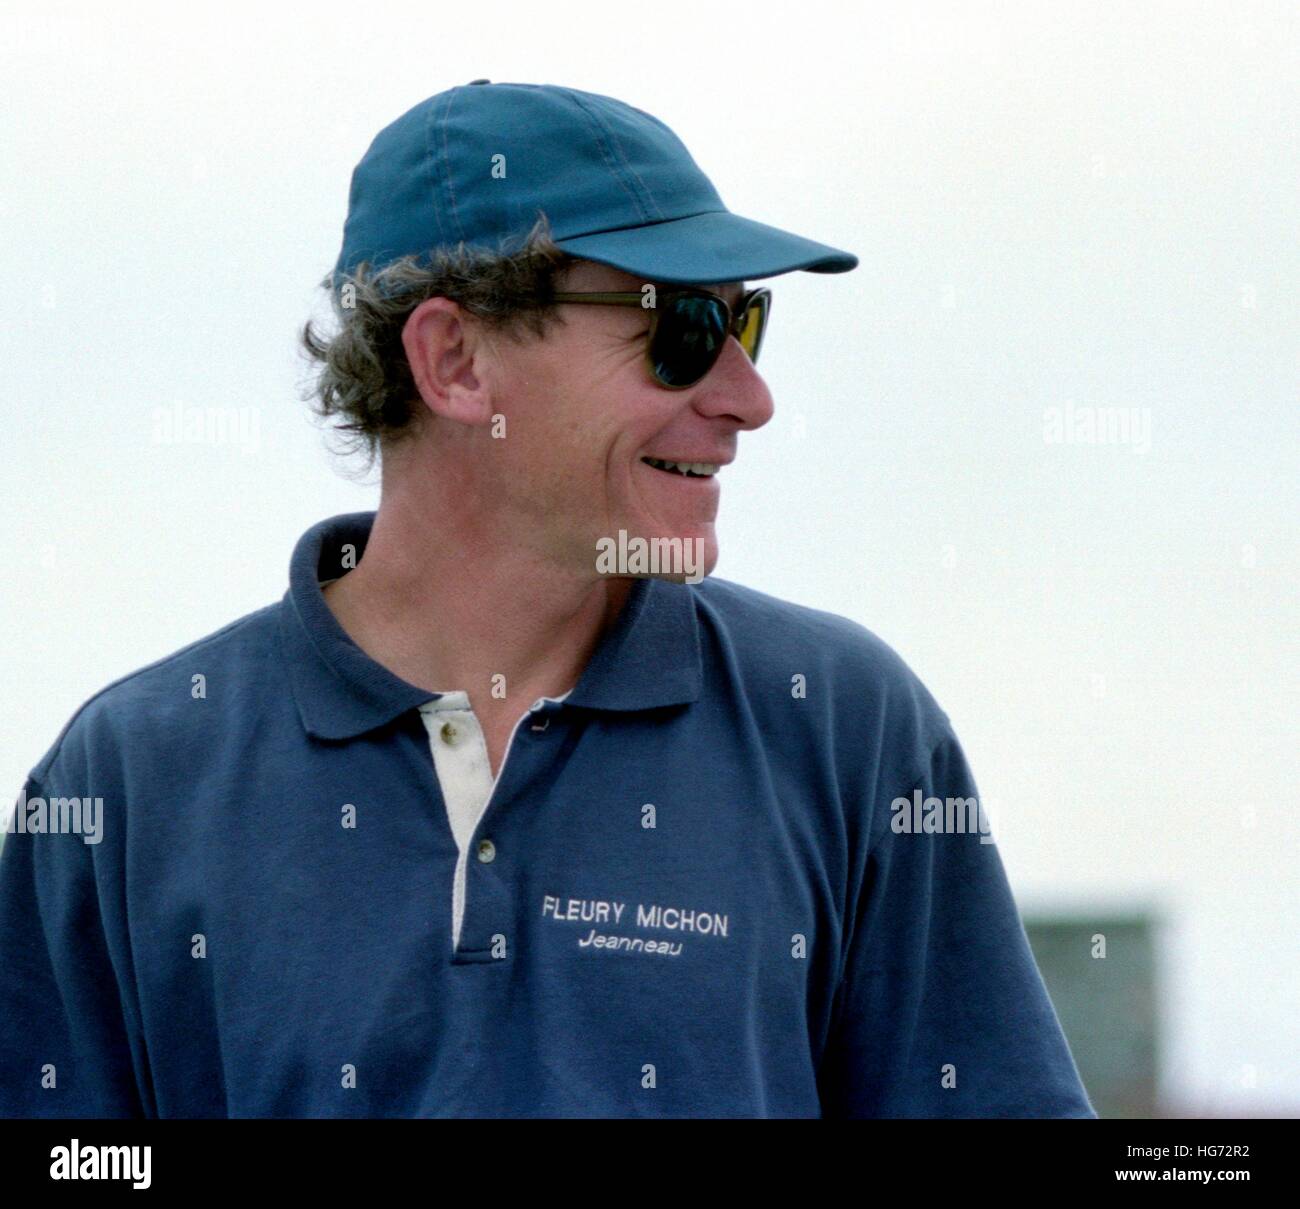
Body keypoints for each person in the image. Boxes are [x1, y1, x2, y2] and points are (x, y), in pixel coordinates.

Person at [0, 81, 1094, 1118]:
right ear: (457, 360)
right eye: (682, 332)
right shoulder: (129, 782)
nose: (748, 399)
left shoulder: (842, 727)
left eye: (743, 324)